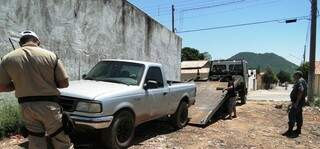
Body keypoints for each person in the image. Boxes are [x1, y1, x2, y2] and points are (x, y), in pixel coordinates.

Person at [0, 30, 73, 149]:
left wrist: (18, 84)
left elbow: (1, 87)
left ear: (21, 43)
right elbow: (64, 83)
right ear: (37, 41)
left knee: (35, 140)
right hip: (49, 107)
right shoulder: (51, 55)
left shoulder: (7, 59)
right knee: (60, 138)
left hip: (26, 107)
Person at [282, 71, 307, 137]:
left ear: (298, 75)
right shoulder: (302, 80)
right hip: (299, 102)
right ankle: (298, 130)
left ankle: (290, 131)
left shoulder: (300, 81)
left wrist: (296, 103)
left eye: (294, 75)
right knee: (299, 115)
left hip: (298, 102)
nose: (293, 76)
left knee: (292, 114)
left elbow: (301, 91)